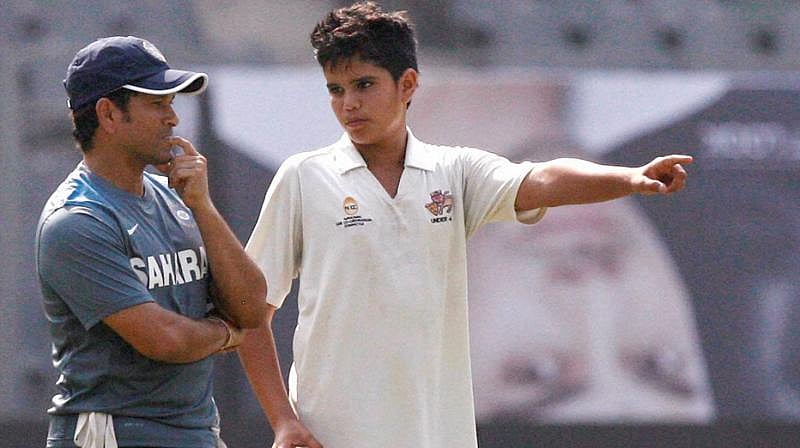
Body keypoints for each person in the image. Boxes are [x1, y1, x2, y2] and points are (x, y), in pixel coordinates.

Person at [237, 2, 693, 447]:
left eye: (364, 84)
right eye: (336, 90)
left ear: (407, 84)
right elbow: (249, 310)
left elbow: (542, 178)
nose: (348, 104)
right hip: (329, 436)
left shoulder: (454, 171)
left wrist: (629, 178)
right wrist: (283, 421)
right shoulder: (303, 177)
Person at [35, 36, 268, 448]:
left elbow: (250, 307)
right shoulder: (77, 220)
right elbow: (164, 339)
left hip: (195, 430)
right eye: (158, 104)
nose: (173, 118)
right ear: (108, 114)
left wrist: (202, 206)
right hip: (117, 433)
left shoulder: (175, 197)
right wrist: (224, 333)